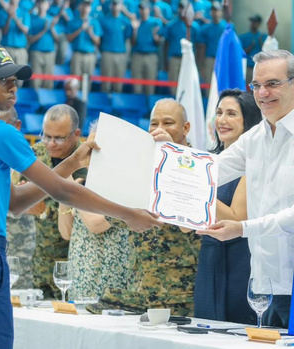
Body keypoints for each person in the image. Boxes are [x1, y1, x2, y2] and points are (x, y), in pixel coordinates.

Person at [0, 45, 159, 349]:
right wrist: (128, 213)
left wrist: (72, 162)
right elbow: (62, 190)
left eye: (14, 78)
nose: (12, 85)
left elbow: (15, 203)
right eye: (2, 79)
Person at [198, 50, 294, 328]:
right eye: (256, 85)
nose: (263, 93)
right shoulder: (255, 138)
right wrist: (162, 164)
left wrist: (241, 228)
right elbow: (209, 171)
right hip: (263, 284)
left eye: (273, 84)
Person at [86, 98, 201, 315]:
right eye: (153, 124)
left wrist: (172, 155)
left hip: (182, 293)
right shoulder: (141, 166)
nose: (159, 130)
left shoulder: (198, 165)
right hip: (141, 289)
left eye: (168, 123)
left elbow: (191, 220)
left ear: (185, 128)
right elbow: (114, 217)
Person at [193, 89, 261, 324]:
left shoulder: (251, 163)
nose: (222, 120)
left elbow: (237, 216)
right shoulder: (207, 161)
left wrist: (196, 188)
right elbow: (186, 226)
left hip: (239, 258)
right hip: (209, 255)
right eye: (219, 112)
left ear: (249, 120)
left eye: (231, 114)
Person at [30, 104, 87, 299]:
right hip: (39, 262)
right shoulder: (36, 154)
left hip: (73, 264)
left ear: (76, 134)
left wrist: (44, 210)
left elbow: (86, 215)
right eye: (46, 136)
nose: (51, 143)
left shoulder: (87, 162)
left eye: (59, 138)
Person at [0, 107, 37, 289]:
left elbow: (44, 206)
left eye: (5, 126)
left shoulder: (33, 159)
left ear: (17, 126)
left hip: (23, 250)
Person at [98, 0, 132, 93]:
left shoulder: (125, 22)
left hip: (120, 53)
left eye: (117, 4)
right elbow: (100, 38)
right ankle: (104, 102)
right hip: (107, 52)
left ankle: (117, 103)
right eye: (114, 3)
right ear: (110, 5)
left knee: (119, 82)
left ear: (121, 6)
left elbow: (127, 36)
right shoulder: (103, 20)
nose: (115, 6)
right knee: (106, 82)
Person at [130, 1, 161, 95]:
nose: (142, 11)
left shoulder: (155, 22)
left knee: (150, 87)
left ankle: (150, 109)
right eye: (141, 9)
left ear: (149, 9)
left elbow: (158, 42)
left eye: (144, 8)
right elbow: (133, 42)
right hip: (137, 55)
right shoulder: (136, 23)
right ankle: (138, 108)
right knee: (137, 87)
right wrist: (135, 29)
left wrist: (156, 37)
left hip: (151, 55)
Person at [66, 0, 101, 77]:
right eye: (84, 5)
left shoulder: (94, 22)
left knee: (87, 81)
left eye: (88, 6)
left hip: (90, 55)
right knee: (75, 80)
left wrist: (90, 33)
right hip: (77, 54)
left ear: (90, 8)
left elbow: (98, 42)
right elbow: (69, 39)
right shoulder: (73, 21)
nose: (85, 8)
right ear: (79, 7)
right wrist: (81, 29)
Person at [28, 0, 58, 89]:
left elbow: (57, 39)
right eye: (40, 3)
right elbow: (30, 40)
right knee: (35, 81)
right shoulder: (32, 19)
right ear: (37, 4)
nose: (42, 5)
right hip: (36, 52)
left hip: (49, 52)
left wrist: (51, 28)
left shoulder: (52, 19)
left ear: (48, 5)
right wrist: (44, 30)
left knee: (48, 82)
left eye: (44, 3)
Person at [196, 1, 225, 85]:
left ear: (221, 12)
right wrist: (201, 66)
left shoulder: (227, 28)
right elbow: (201, 48)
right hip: (209, 59)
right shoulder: (205, 28)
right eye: (213, 10)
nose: (215, 13)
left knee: (221, 86)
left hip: (222, 60)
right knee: (208, 84)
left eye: (217, 10)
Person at [0, 0, 30, 65]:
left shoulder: (24, 12)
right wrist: (9, 17)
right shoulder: (3, 13)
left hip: (21, 50)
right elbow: (4, 32)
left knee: (20, 74)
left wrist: (15, 17)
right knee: (6, 73)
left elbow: (25, 30)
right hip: (7, 48)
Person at [239, 14, 266, 84]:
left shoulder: (263, 37)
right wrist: (251, 46)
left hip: (259, 68)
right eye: (252, 22)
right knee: (247, 89)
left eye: (255, 22)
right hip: (247, 68)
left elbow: (266, 53)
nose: (253, 24)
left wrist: (260, 42)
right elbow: (240, 54)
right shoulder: (243, 37)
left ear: (259, 24)